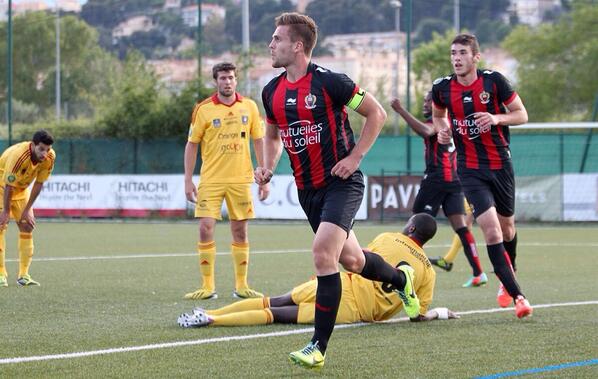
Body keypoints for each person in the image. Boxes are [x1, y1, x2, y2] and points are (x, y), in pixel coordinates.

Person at [254, 12, 419, 370]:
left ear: (298, 46)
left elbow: (376, 113)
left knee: (322, 255)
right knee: (354, 261)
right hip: (307, 190)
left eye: (277, 39)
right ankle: (400, 279)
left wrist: (356, 156)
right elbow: (272, 135)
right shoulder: (271, 91)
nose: (271, 44)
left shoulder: (331, 82)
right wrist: (267, 166)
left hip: (340, 183)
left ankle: (318, 347)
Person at [177, 213, 459, 329]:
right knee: (275, 316)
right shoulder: (428, 272)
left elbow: (360, 260)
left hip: (337, 283)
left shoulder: (387, 238)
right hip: (353, 308)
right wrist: (440, 313)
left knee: (273, 301)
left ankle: (212, 312)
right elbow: (416, 315)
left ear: (410, 228)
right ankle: (211, 320)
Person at [432, 33, 532, 318]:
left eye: (462, 53)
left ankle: (506, 275)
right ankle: (518, 296)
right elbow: (439, 116)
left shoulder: (493, 82)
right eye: (453, 54)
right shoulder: (442, 88)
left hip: (501, 165)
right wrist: (443, 130)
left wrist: (496, 118)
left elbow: (521, 114)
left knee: (508, 228)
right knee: (491, 229)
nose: (457, 59)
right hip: (470, 168)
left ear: (476, 57)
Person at [184, 62, 270, 301]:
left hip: (241, 179)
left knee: (240, 231)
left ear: (236, 80)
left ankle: (241, 286)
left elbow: (260, 140)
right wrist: (188, 180)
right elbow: (191, 145)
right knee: (205, 227)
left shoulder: (249, 107)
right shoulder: (203, 110)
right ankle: (207, 286)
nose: (227, 82)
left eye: (231, 77)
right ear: (216, 81)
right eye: (223, 78)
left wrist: (263, 178)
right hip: (211, 179)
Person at [391, 93, 487, 288]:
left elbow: (427, 131)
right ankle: (478, 272)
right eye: (425, 101)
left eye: (429, 101)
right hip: (454, 181)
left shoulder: (439, 121)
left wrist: (401, 110)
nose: (426, 104)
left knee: (416, 224)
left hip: (437, 179)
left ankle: (406, 270)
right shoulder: (455, 122)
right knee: (461, 227)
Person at [0, 130, 55, 287]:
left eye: (48, 149)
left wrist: (27, 210)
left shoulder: (49, 158)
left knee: (27, 225)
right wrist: (5, 211)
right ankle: (1, 274)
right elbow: (9, 186)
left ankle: (23, 275)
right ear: (33, 145)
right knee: (0, 226)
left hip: (21, 190)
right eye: (41, 149)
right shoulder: (19, 156)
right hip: (2, 188)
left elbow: (39, 183)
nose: (45, 153)